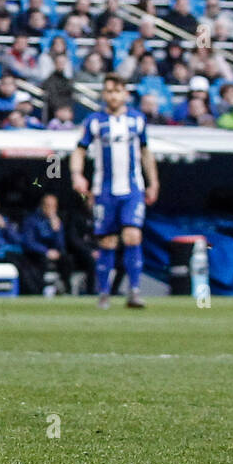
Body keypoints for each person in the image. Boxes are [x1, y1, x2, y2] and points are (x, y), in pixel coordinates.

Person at [71, 74, 159, 309]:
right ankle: (104, 293)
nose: (113, 95)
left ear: (125, 94)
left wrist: (154, 182)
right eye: (109, 91)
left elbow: (146, 152)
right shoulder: (94, 121)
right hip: (104, 190)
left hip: (132, 189)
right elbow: (79, 150)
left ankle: (134, 291)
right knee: (108, 242)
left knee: (133, 235)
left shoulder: (137, 120)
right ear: (104, 94)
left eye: (117, 91)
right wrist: (77, 174)